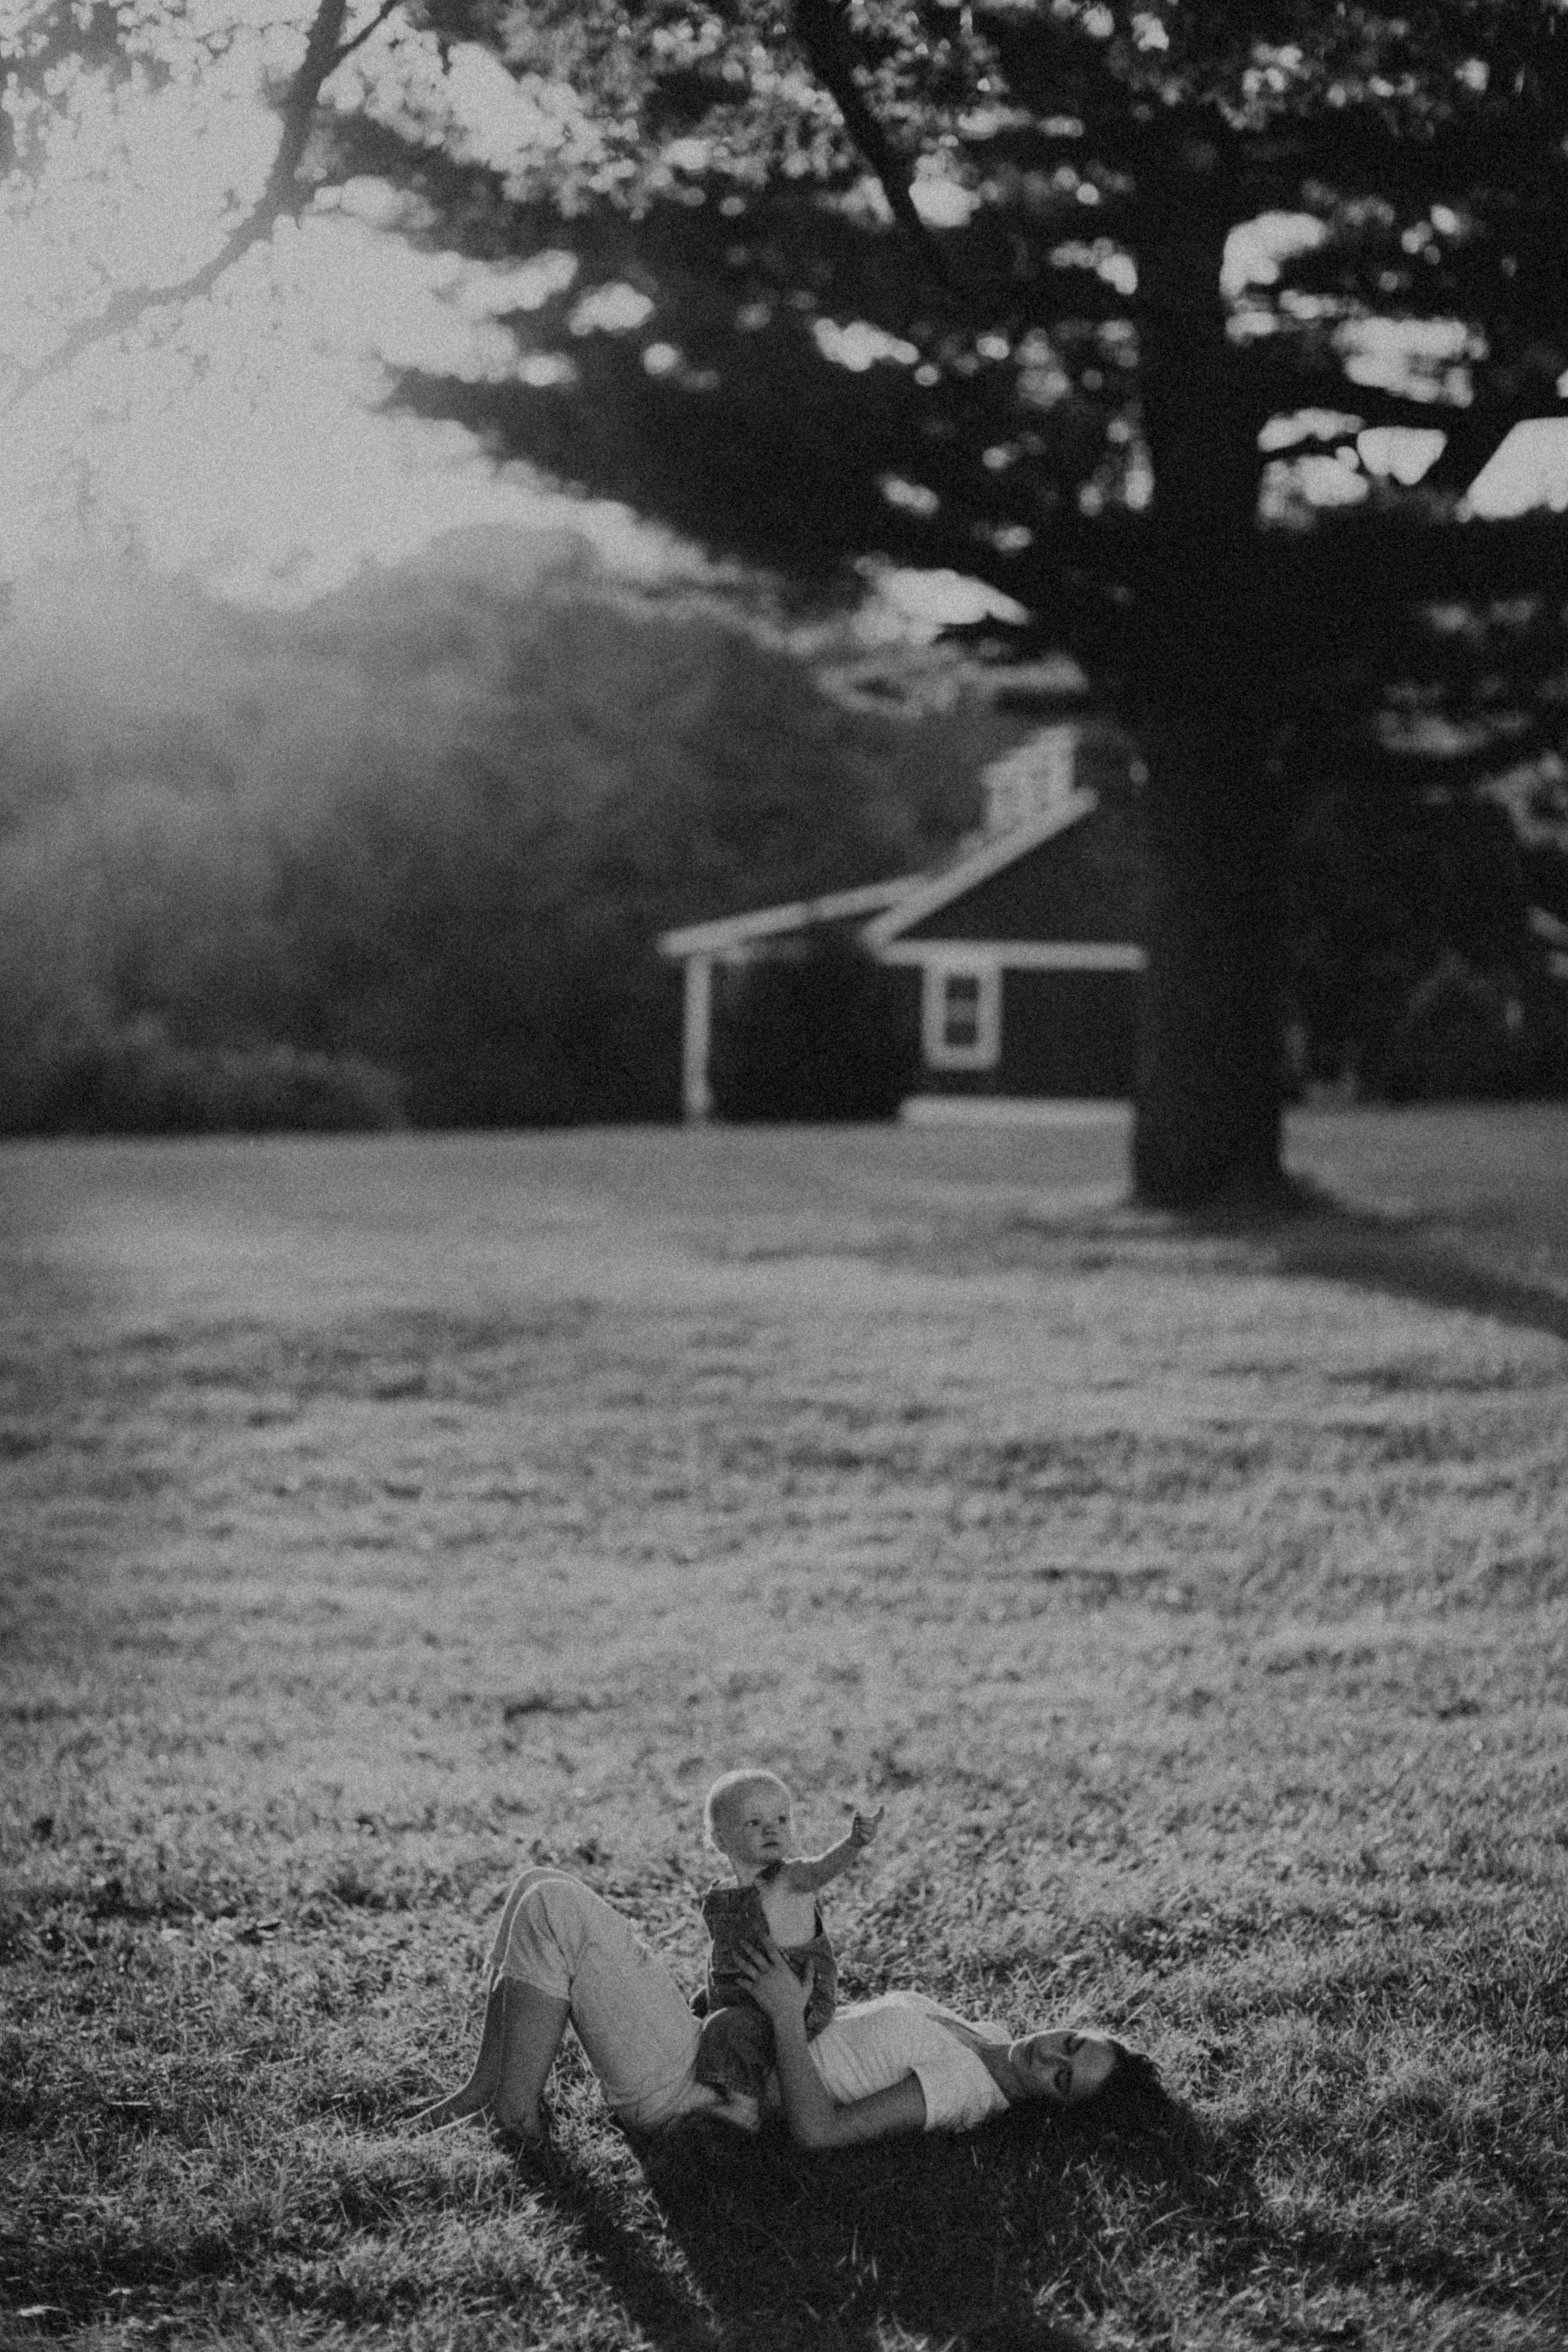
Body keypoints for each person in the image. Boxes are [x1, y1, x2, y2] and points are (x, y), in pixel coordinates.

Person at [409, 1865, 1153, 2153]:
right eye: (1071, 2043)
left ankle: (516, 2118)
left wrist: (784, 2016)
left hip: (689, 2090)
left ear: (1052, 2109)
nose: (1048, 2055)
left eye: (1062, 2078)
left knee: (556, 1906)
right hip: (717, 2043)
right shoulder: (983, 2035)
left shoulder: (965, 2090)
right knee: (538, 1885)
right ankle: (484, 2090)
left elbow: (821, 2131)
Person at [693, 1770, 884, 2122]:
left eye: (782, 1819)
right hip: (745, 1989)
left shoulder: (790, 1878)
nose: (772, 1829)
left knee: (727, 2026)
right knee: (698, 2006)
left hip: (797, 2001)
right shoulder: (721, 1892)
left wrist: (854, 1843)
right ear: (720, 1840)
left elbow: (823, 1868)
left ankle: (745, 2107)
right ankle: (707, 2062)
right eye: (754, 1822)